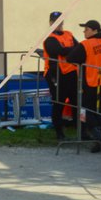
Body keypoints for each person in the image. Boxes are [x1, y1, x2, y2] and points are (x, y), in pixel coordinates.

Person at [66, 19, 101, 153]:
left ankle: (97, 135)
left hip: (95, 81)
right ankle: (98, 140)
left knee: (85, 109)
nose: (84, 31)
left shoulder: (86, 44)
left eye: (87, 29)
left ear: (95, 31)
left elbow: (70, 58)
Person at [42, 11, 78, 141]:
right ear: (51, 23)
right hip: (56, 74)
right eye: (55, 21)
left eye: (60, 21)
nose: (58, 24)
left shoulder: (69, 34)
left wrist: (71, 50)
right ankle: (59, 133)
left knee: (76, 102)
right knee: (59, 103)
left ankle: (80, 131)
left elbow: (78, 47)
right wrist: (72, 49)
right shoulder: (49, 38)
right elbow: (58, 51)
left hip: (72, 73)